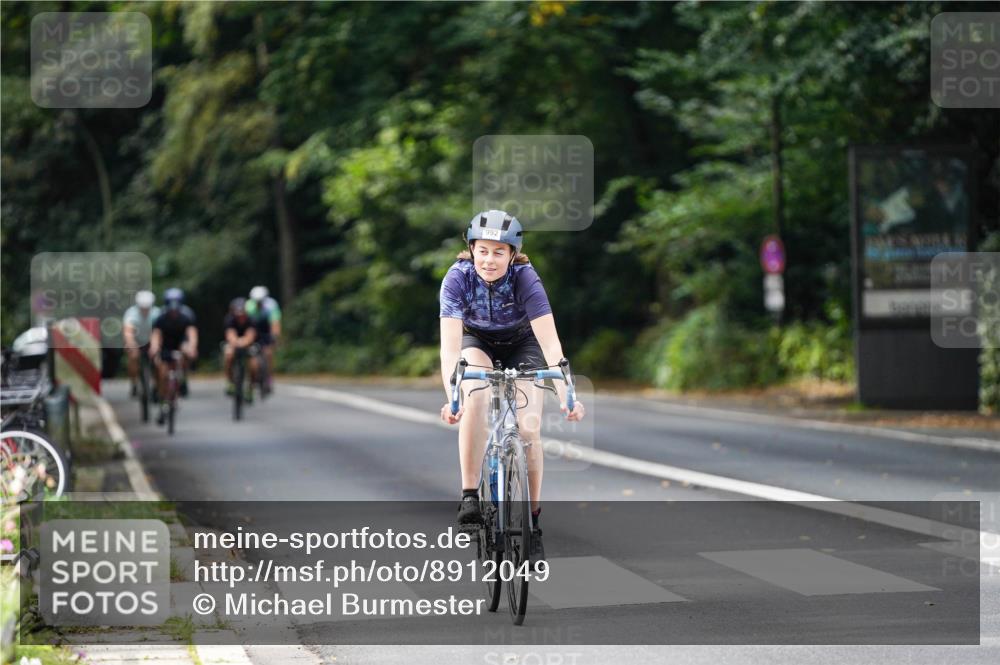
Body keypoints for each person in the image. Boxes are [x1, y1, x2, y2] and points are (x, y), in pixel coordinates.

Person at [438, 209, 586, 568]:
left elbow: (550, 343)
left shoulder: (525, 279)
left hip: (523, 342)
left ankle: (532, 524)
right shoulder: (457, 278)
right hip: (477, 342)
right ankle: (470, 494)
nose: (489, 260)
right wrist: (452, 395)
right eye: (483, 250)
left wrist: (568, 392)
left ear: (512, 253)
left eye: (498, 252)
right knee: (475, 399)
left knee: (529, 427)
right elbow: (450, 347)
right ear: (472, 248)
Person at [148, 288, 198, 425]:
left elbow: (191, 334)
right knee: (163, 372)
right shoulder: (161, 318)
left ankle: (182, 379)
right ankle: (163, 397)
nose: (174, 312)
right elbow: (156, 336)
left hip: (180, 345)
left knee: (184, 354)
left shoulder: (186, 317)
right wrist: (154, 348)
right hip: (166, 347)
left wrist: (192, 347)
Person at [122, 290, 160, 397]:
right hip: (136, 340)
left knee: (158, 361)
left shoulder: (157, 313)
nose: (145, 310)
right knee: (133, 357)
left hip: (151, 340)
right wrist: (132, 345)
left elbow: (158, 333)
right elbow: (128, 332)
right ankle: (134, 383)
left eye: (147, 308)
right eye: (143, 308)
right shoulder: (131, 313)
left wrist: (155, 347)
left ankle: (157, 387)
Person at [246, 285, 281, 392]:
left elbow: (275, 323)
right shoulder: (248, 306)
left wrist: (275, 336)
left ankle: (269, 376)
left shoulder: (271, 305)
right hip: (254, 331)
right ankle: (251, 377)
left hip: (266, 330)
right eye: (256, 301)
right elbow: (246, 325)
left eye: (260, 301)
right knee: (251, 356)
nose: (258, 303)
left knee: (268, 353)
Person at [223, 297, 258, 401]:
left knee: (254, 365)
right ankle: (230, 382)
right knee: (228, 356)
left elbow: (251, 334)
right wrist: (236, 342)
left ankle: (250, 389)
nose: (240, 316)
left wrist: (244, 342)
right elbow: (230, 334)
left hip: (248, 343)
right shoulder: (229, 319)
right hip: (234, 342)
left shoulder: (251, 320)